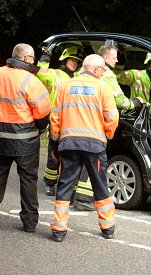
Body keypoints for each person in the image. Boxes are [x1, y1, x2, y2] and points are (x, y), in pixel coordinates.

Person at [49, 54, 119, 242]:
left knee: (65, 184)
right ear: (95, 69)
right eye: (103, 70)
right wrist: (107, 136)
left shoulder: (66, 86)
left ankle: (59, 229)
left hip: (69, 143)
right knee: (100, 184)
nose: (103, 73)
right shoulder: (103, 88)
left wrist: (56, 143)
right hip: (94, 145)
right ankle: (107, 227)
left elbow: (55, 117)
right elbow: (112, 117)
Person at [0, 43, 51, 233]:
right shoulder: (31, 80)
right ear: (26, 59)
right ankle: (29, 223)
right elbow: (43, 112)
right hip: (25, 140)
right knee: (28, 180)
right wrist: (40, 128)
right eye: (33, 58)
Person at [37, 47, 83, 196]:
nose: (74, 63)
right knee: (54, 155)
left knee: (71, 157)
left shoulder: (78, 76)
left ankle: (68, 185)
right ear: (64, 60)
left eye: (77, 61)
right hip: (57, 122)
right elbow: (40, 74)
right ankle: (50, 183)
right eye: (72, 60)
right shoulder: (54, 73)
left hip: (74, 123)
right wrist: (45, 57)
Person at [97, 45, 142, 111]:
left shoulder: (83, 70)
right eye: (114, 58)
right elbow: (121, 102)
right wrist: (135, 102)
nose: (117, 60)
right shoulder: (108, 74)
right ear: (106, 58)